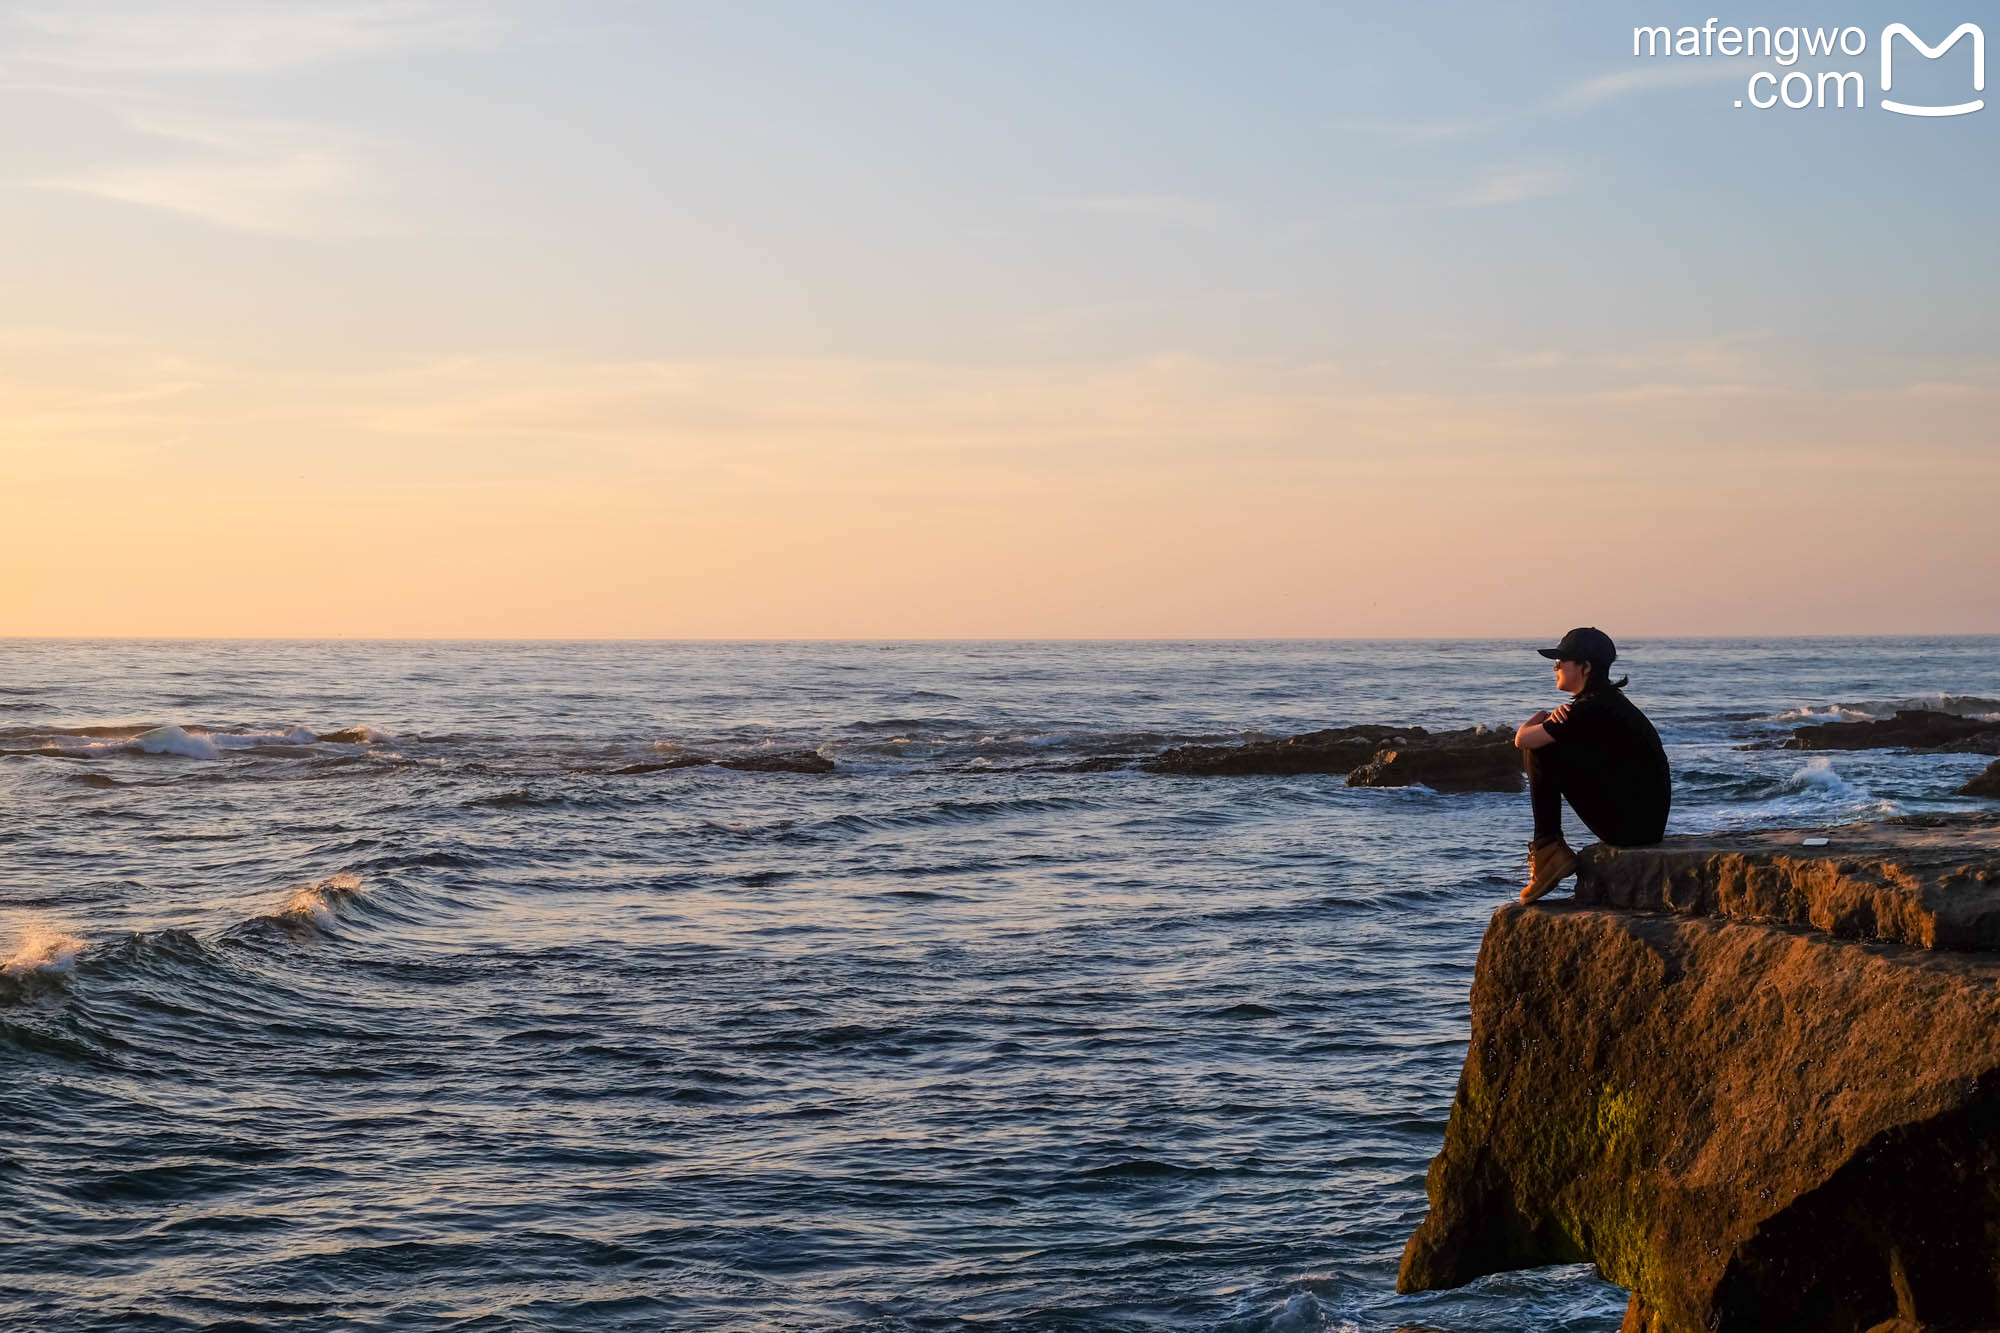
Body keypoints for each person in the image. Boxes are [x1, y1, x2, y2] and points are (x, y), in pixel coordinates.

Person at [1512, 627, 1670, 904]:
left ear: (1585, 666)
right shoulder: (1608, 703)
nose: (1556, 666)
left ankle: (1548, 849)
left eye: (1563, 660)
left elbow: (1522, 739)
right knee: (1545, 744)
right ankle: (1549, 847)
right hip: (1646, 824)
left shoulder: (1588, 711)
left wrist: (1540, 719)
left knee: (1539, 749)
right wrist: (1553, 722)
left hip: (1631, 829)